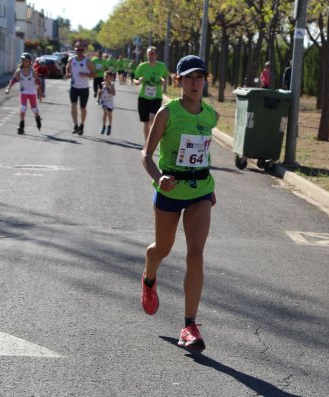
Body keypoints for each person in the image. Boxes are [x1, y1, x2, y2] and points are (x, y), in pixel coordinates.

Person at [140, 55, 218, 351]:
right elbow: (146, 156)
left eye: (200, 77)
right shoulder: (166, 113)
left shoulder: (210, 114)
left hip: (200, 191)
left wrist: (209, 185)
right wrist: (159, 178)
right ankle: (149, 278)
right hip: (170, 190)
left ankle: (189, 325)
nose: (195, 83)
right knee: (163, 248)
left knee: (195, 254)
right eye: (189, 78)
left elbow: (204, 151)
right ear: (179, 81)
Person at [134, 46, 169, 142]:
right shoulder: (142, 66)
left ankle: (154, 137)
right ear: (147, 55)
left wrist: (163, 80)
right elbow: (135, 78)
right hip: (143, 97)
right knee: (145, 122)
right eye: (149, 54)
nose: (151, 56)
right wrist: (138, 81)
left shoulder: (162, 66)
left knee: (152, 117)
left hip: (156, 97)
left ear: (157, 55)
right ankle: (147, 143)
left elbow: (165, 77)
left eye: (153, 54)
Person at [4, 53, 43, 135]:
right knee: (23, 109)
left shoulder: (32, 71)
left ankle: (37, 118)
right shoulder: (19, 71)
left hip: (32, 92)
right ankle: (21, 126)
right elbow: (13, 80)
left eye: (27, 61)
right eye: (24, 61)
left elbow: (38, 81)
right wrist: (8, 88)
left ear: (30, 62)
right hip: (23, 92)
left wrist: (40, 93)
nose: (26, 62)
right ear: (22, 62)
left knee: (34, 109)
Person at [64, 41, 95, 135]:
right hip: (74, 87)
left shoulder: (87, 61)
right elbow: (67, 67)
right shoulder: (71, 59)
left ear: (84, 50)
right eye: (78, 49)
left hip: (84, 88)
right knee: (73, 105)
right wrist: (67, 73)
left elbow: (94, 73)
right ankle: (75, 125)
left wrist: (86, 74)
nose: (79, 51)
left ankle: (82, 125)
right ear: (75, 49)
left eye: (81, 50)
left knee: (83, 108)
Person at [97, 70, 115, 135]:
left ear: (111, 78)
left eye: (107, 77)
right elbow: (99, 91)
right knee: (105, 113)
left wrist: (110, 90)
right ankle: (103, 126)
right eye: (105, 76)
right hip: (104, 102)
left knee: (109, 115)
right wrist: (98, 98)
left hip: (110, 103)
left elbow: (114, 93)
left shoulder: (112, 85)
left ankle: (109, 126)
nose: (105, 78)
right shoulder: (102, 84)